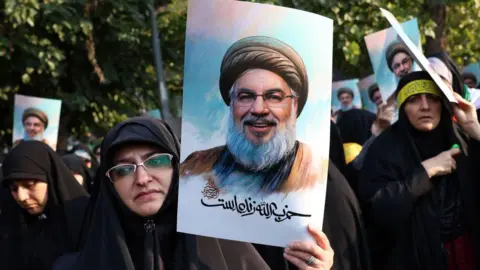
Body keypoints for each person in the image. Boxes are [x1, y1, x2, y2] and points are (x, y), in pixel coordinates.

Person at [53, 117, 336, 270]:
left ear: (178, 166)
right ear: (109, 183)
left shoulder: (229, 252)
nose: (141, 178)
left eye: (157, 161)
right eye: (124, 169)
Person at [358, 71, 480, 269]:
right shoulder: (384, 150)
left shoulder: (463, 140)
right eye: (414, 100)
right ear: (403, 107)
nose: (425, 106)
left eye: (432, 98)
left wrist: (474, 128)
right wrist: (424, 173)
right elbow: (378, 210)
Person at [181, 36, 321, 194]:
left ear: (294, 105)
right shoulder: (195, 168)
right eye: (245, 96)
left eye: (274, 97)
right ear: (231, 104)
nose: (259, 109)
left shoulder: (319, 177)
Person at [0, 141, 89, 270]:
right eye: (14, 189)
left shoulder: (86, 221)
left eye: (29, 185)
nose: (21, 197)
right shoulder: (12, 225)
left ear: (50, 178)